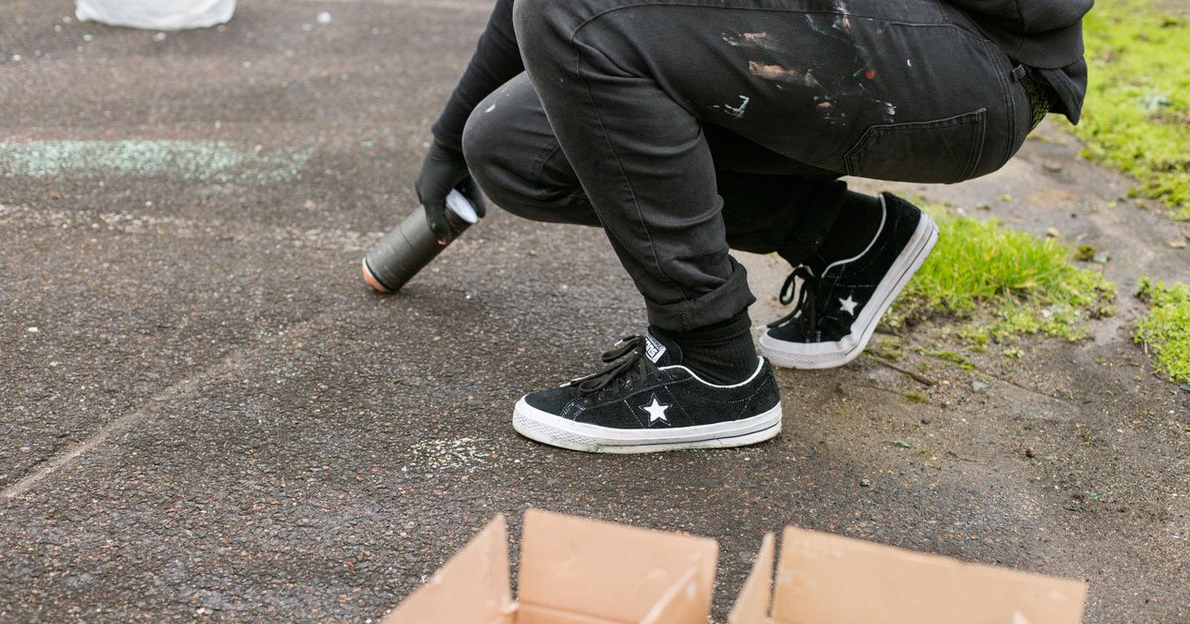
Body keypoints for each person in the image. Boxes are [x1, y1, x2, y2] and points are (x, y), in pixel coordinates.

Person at [409, 0, 1092, 453]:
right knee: (518, 145)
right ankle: (841, 239)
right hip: (875, 34)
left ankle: (709, 364)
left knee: (580, 11)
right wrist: (450, 134)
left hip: (973, 60)